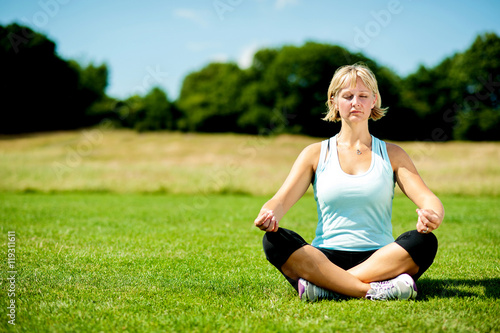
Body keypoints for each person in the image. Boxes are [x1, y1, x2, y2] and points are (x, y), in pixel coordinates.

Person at [253, 63, 444, 301]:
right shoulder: (315, 154)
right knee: (274, 241)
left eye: (363, 96)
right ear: (334, 101)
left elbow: (427, 198)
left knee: (424, 242)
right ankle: (374, 289)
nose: (356, 102)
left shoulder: (392, 154)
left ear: (373, 100)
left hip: (380, 258)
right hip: (325, 257)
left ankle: (326, 286)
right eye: (348, 96)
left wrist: (433, 214)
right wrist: (268, 214)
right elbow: (280, 201)